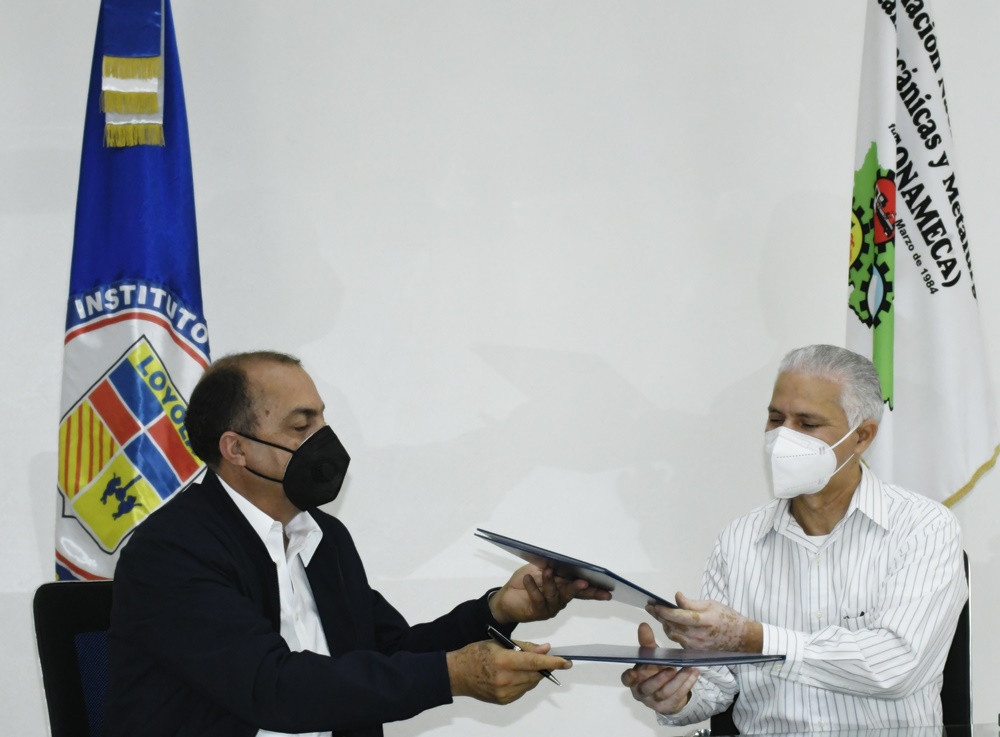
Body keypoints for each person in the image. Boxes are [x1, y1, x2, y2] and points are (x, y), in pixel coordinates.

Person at [106, 351, 609, 737]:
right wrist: (452, 675)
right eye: (301, 426)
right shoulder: (170, 552)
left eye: (322, 421)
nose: (325, 440)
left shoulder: (324, 537)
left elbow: (391, 653)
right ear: (236, 448)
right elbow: (274, 689)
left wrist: (497, 610)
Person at [622, 344, 967, 733]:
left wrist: (755, 639)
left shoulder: (924, 527)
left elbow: (895, 667)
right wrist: (675, 695)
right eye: (775, 418)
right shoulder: (738, 540)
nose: (782, 437)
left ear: (862, 436)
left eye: (807, 424)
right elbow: (717, 683)